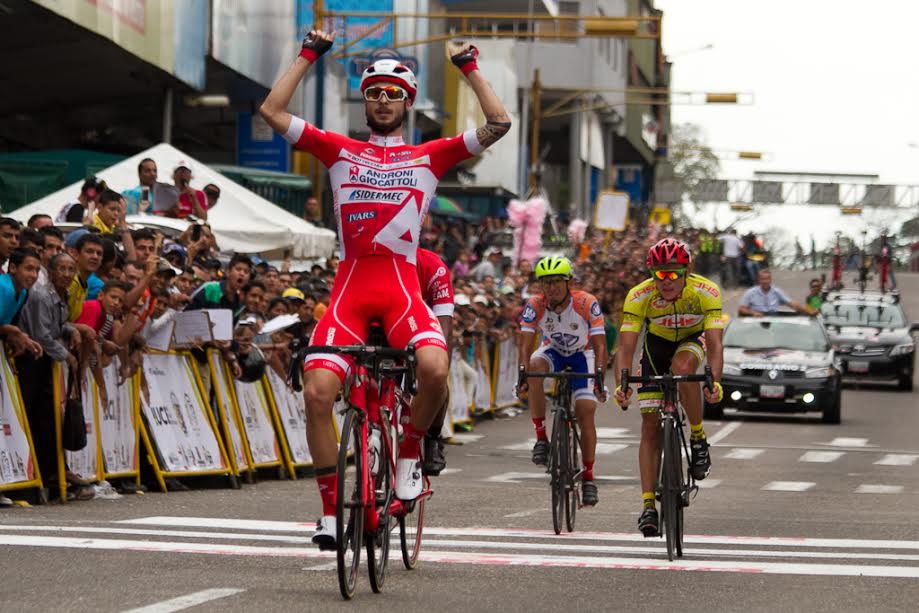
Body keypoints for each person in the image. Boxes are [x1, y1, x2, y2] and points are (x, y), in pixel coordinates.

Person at [259, 28, 511, 549]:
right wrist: (309, 54)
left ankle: (410, 455)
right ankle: (330, 513)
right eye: (373, 91)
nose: (381, 100)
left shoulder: (430, 156)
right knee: (317, 393)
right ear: (365, 100)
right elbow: (273, 111)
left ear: (408, 103)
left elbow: (498, 123)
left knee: (436, 369)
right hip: (350, 290)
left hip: (400, 291)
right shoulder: (338, 150)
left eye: (392, 93)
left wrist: (468, 66)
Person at [612, 238, 725, 537]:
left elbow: (714, 343)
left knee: (683, 367)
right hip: (656, 345)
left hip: (692, 339)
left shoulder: (706, 291)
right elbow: (625, 348)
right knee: (649, 425)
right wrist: (621, 385)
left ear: (686, 271)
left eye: (673, 273)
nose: (666, 281)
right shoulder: (639, 295)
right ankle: (648, 505)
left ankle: (698, 439)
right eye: (659, 274)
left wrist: (715, 381)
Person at [515, 256, 608, 507]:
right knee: (535, 367)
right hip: (553, 351)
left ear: (569, 282)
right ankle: (541, 438)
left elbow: (600, 345)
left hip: (583, 355)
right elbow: (524, 344)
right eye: (546, 283)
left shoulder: (586, 302)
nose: (551, 288)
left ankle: (588, 477)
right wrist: (522, 375)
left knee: (585, 411)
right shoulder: (535, 304)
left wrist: (598, 376)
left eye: (557, 282)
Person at [416, 247, 456, 476]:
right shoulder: (373, 258)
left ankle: (433, 437)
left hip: (426, 322)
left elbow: (444, 327)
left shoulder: (433, 265)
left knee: (438, 378)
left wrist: (441, 365)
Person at [0, 248, 44, 357]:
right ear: (13, 268)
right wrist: (14, 331)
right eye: (29, 269)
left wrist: (21, 337)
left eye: (37, 271)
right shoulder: (4, 287)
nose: (34, 275)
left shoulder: (23, 292)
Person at [738, 269, 816, 316]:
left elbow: (793, 304)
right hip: (755, 321)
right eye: (762, 279)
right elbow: (741, 309)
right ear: (759, 280)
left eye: (767, 279)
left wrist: (809, 311)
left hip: (773, 320)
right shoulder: (750, 293)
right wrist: (753, 313)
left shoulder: (777, 292)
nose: (765, 281)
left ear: (770, 280)